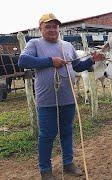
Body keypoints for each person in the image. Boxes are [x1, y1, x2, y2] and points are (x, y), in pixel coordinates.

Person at [18, 13, 105, 180]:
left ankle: (68, 163)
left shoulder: (67, 46)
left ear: (59, 28)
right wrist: (51, 61)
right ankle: (45, 170)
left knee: (66, 132)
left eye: (54, 26)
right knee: (47, 134)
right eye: (48, 26)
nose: (52, 29)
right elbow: (22, 61)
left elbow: (78, 67)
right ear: (40, 28)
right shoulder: (34, 43)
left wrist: (92, 60)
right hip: (46, 100)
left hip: (68, 98)